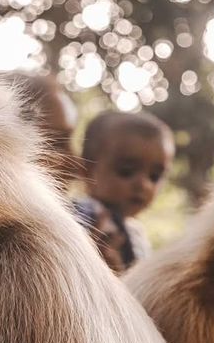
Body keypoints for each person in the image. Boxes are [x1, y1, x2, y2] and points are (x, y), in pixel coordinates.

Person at [74, 110, 175, 272]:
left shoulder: (135, 232)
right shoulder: (81, 217)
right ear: (87, 171)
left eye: (154, 177)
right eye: (126, 171)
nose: (143, 185)